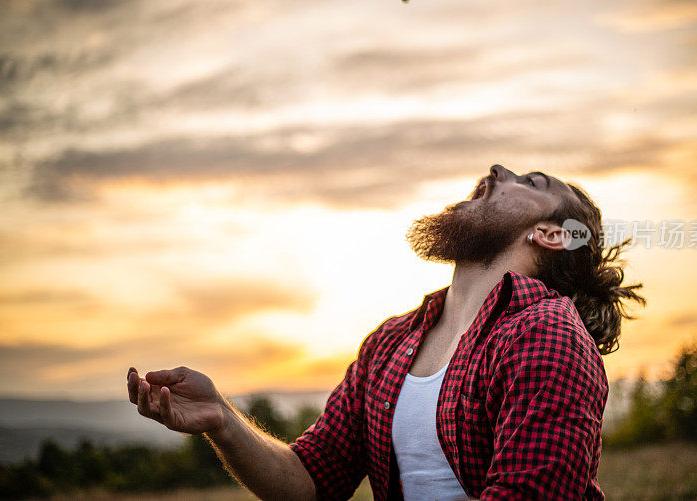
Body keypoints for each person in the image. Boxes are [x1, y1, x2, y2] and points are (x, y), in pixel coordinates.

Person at [127, 164, 645, 500]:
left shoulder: (546, 332)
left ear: (552, 235)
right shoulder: (390, 345)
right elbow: (308, 482)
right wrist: (222, 419)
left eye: (532, 183)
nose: (496, 169)